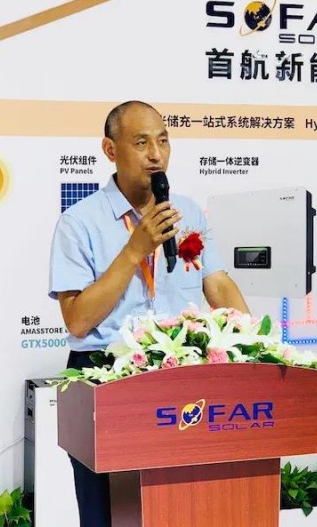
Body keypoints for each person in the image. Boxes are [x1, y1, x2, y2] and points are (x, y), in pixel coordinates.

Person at [48, 100, 249, 526]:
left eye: (163, 141)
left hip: (178, 375)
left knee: (180, 508)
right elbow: (78, 320)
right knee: (109, 514)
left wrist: (255, 343)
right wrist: (134, 250)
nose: (156, 155)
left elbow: (218, 284)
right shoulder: (78, 223)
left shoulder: (187, 212)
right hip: (104, 375)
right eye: (141, 143)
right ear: (110, 149)